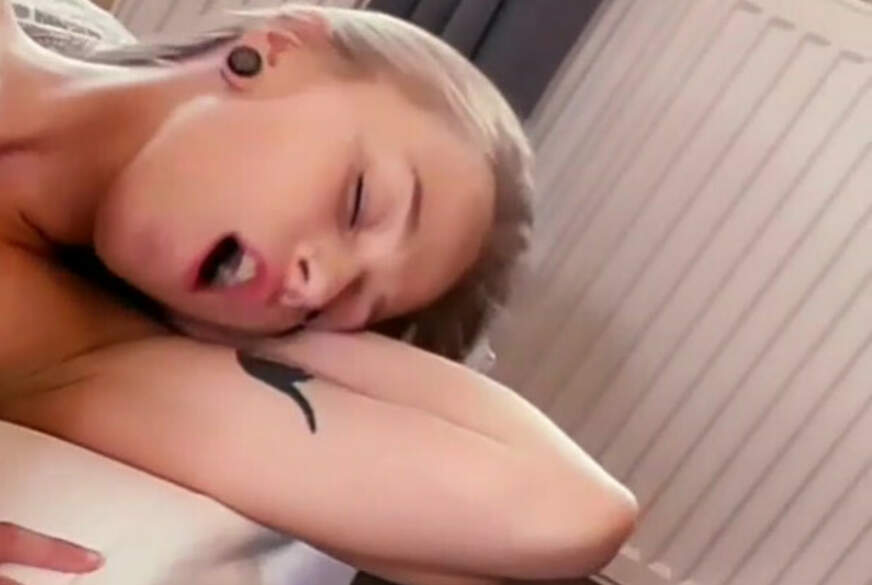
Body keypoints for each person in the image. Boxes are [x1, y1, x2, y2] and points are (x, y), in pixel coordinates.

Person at [0, 2, 638, 584]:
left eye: (342, 304)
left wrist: (256, 333)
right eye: (359, 203)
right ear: (277, 49)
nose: (317, 282)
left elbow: (569, 511)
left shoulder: (78, 358)